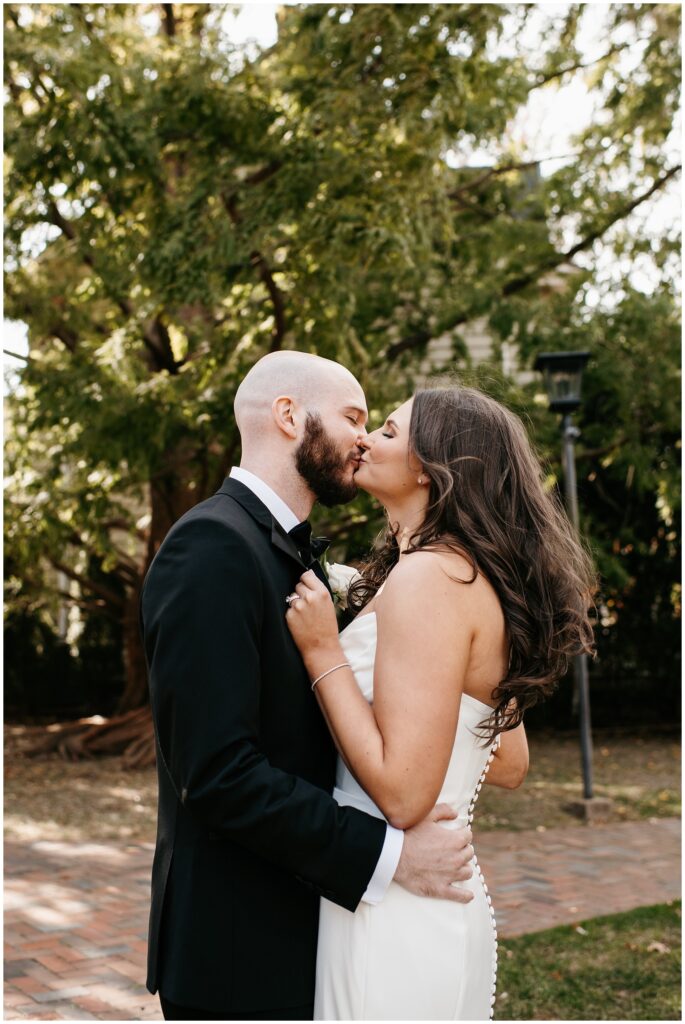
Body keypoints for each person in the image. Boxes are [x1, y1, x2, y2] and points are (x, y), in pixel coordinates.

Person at [141, 353, 487, 1021]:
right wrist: (390, 857)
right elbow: (217, 774)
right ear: (288, 416)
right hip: (239, 950)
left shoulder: (289, 552)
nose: (363, 438)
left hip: (311, 932)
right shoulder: (210, 548)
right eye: (354, 418)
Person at [286, 384, 596, 1020]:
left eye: (391, 432)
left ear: (430, 468)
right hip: (433, 899)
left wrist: (324, 653)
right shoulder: (463, 573)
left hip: (393, 906)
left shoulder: (430, 577)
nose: (366, 438)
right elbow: (507, 762)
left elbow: (402, 796)